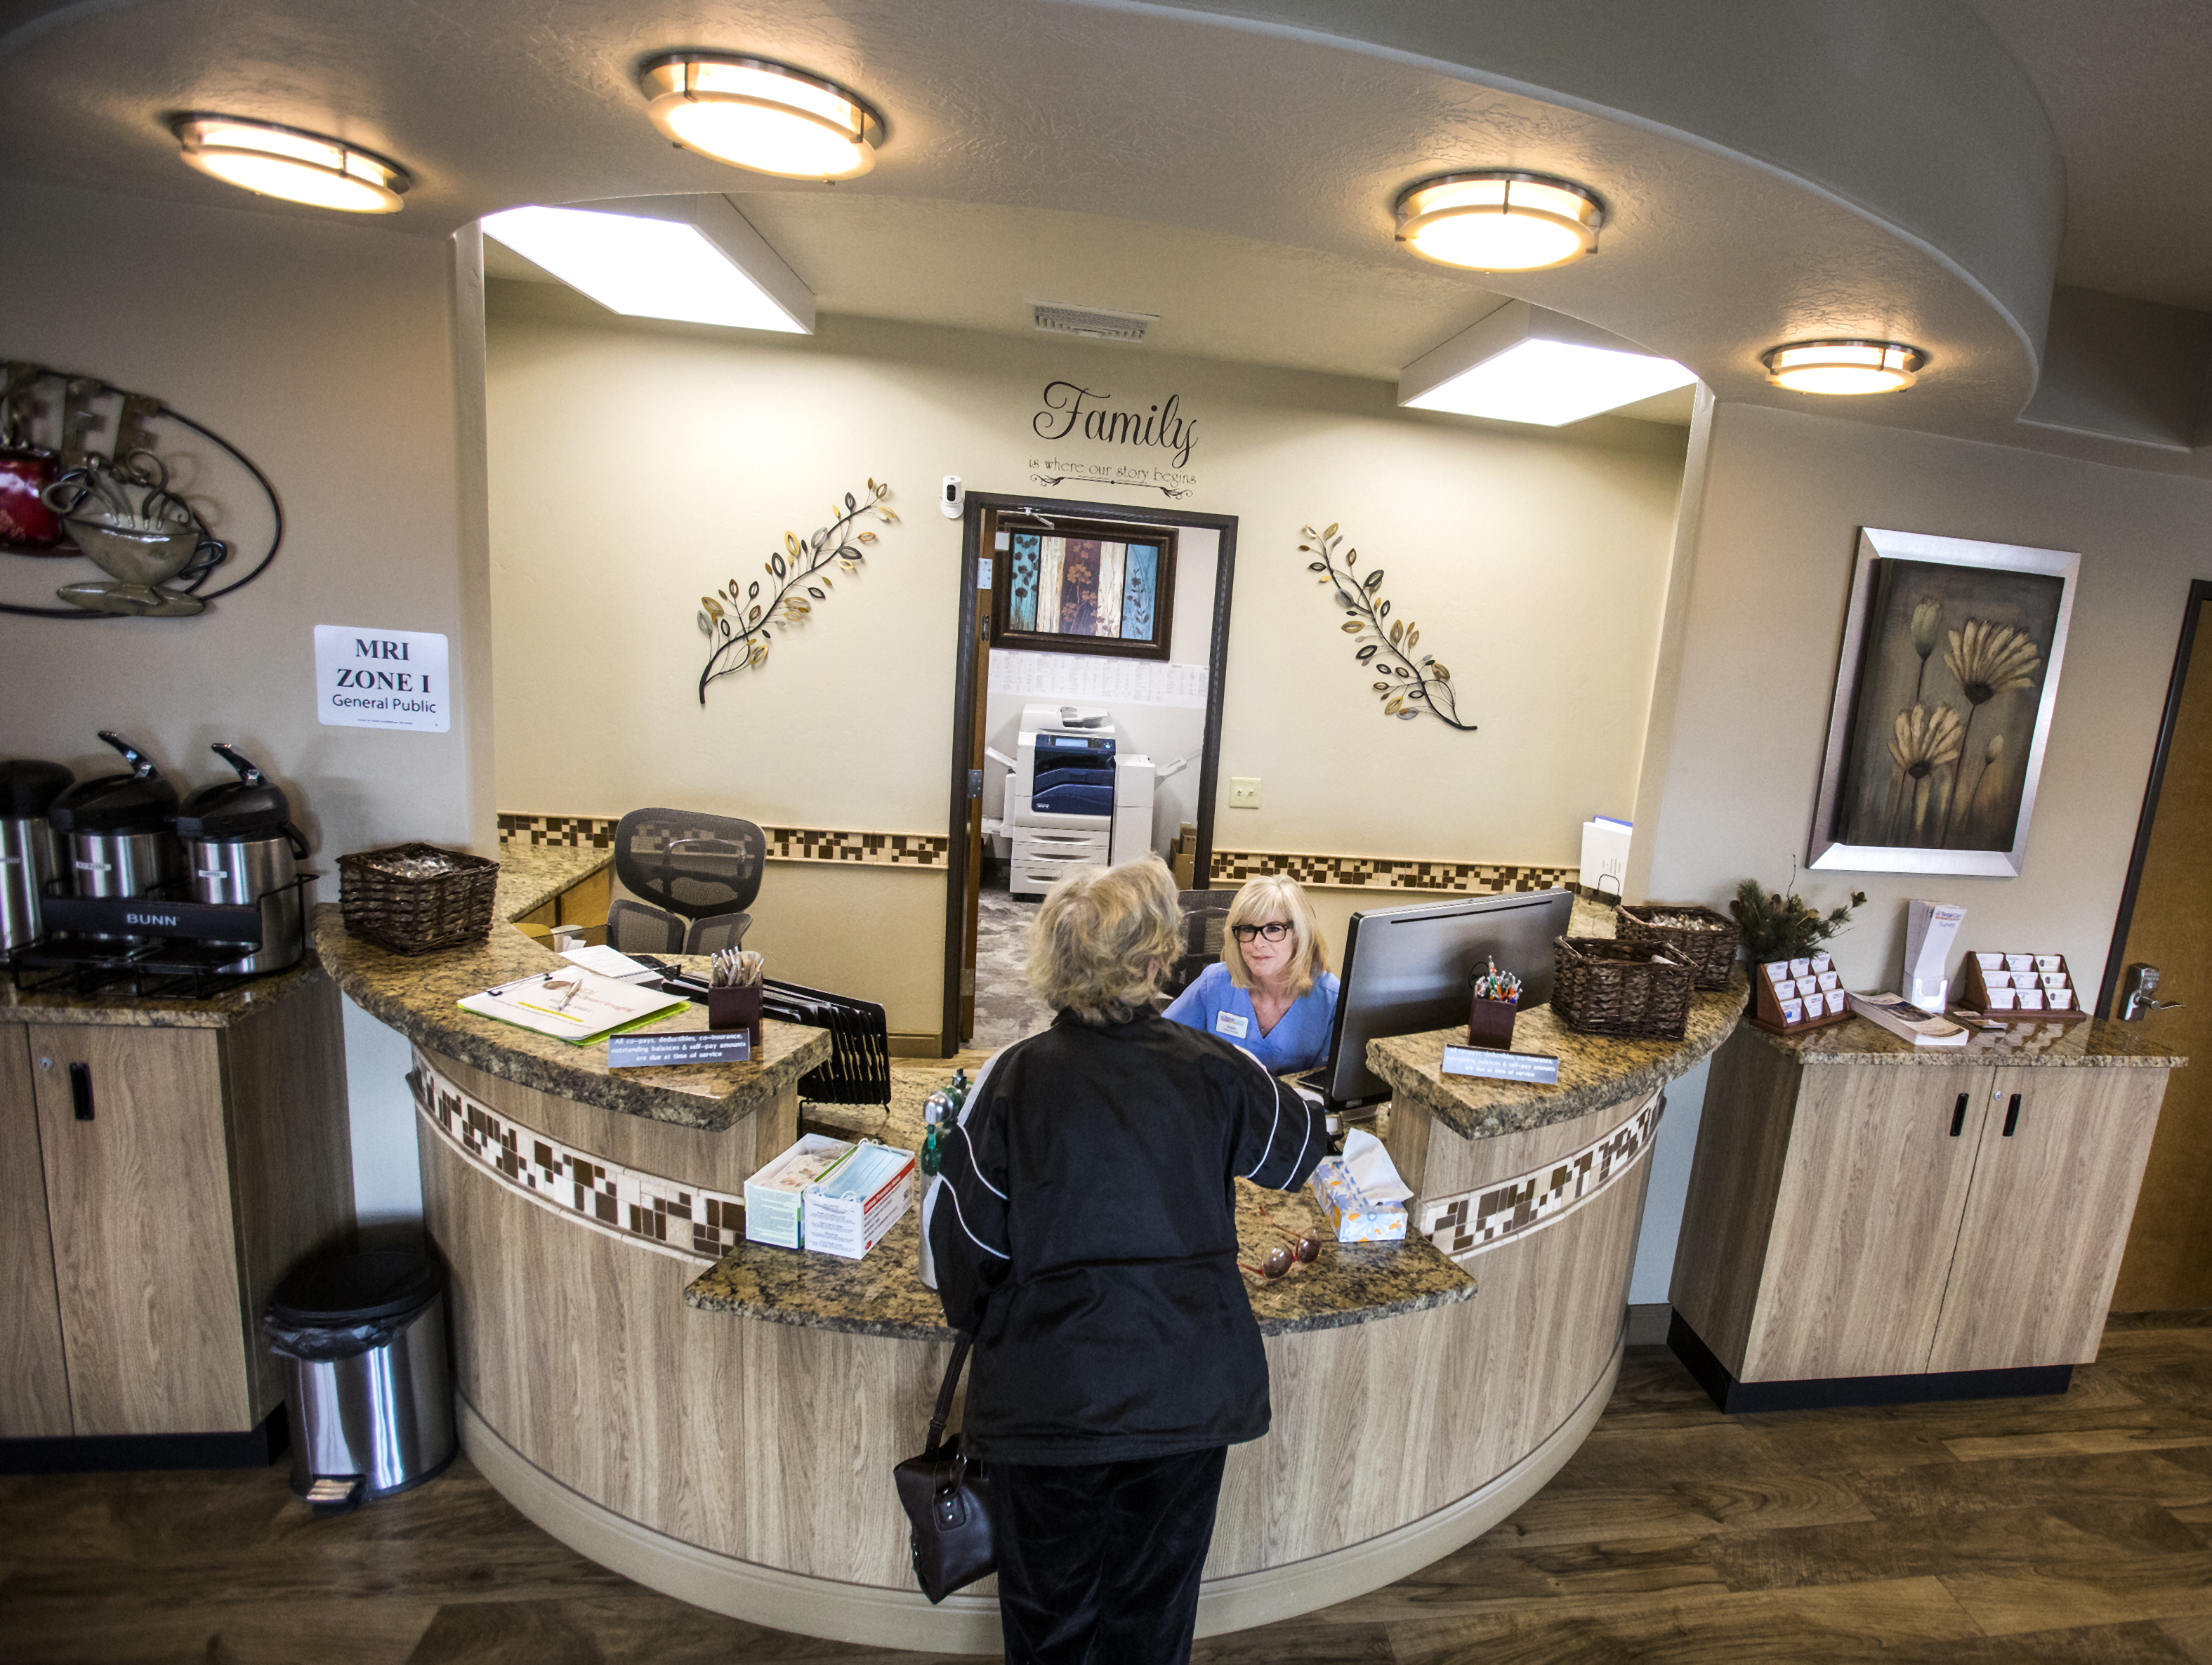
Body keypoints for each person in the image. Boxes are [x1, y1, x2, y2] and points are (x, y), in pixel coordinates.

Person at [924, 858, 1327, 1665]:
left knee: (1048, 1621)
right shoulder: (1215, 1065)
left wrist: (1004, 1320)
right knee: (1153, 1616)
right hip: (1184, 1392)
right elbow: (1301, 1148)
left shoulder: (1012, 1078)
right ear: (1155, 962)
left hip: (1051, 1399)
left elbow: (955, 1256)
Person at [1163, 872, 1339, 1072]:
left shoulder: (1331, 999)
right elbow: (1162, 1042)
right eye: (1247, 929)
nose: (1257, 943)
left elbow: (1326, 1084)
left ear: (1300, 934)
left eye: (1273, 929)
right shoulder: (1214, 983)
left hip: (1292, 1102)